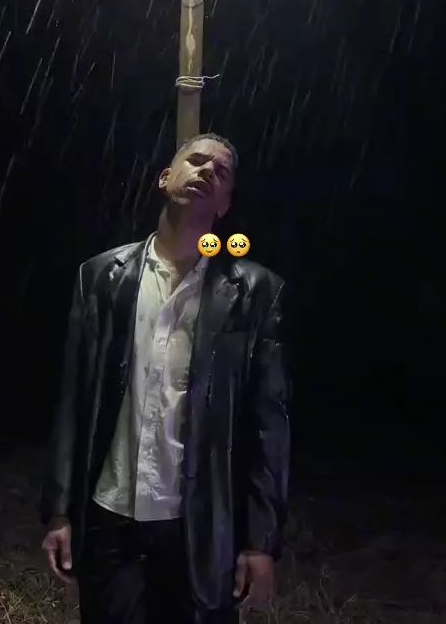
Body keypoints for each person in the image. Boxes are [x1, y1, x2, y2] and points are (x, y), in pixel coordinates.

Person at [40, 133, 290, 624]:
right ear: (164, 178)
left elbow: (269, 423)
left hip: (200, 526)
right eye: (195, 161)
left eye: (220, 172)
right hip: (112, 517)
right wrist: (60, 509)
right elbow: (73, 400)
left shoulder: (255, 291)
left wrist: (260, 541)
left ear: (225, 204)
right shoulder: (102, 276)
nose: (206, 171)